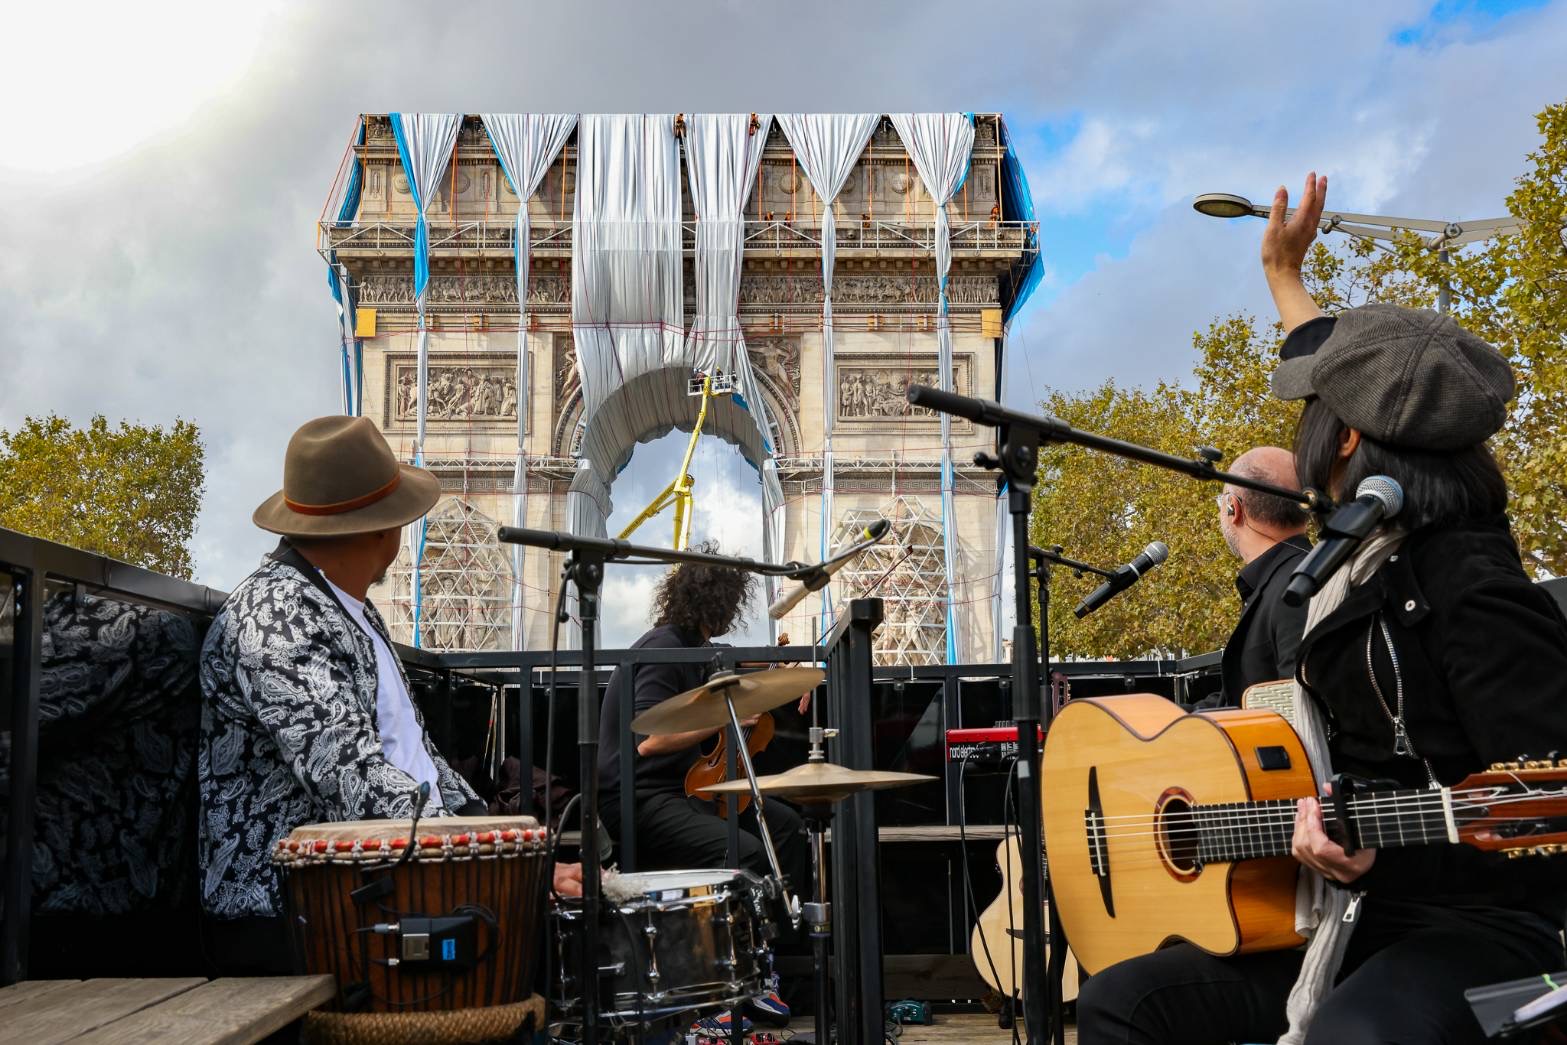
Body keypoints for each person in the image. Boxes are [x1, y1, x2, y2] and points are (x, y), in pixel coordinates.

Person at [1075, 174, 1567, 1045]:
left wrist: (1388, 848)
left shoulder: (1474, 589)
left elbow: (1544, 820)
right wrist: (1280, 272)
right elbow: (1367, 373)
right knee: (1123, 1000)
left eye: (1312, 412)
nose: (1299, 427)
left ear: (1343, 439)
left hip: (1483, 929)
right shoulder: (1355, 561)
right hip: (1347, 913)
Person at [198, 415, 580, 974]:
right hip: (292, 910)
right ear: (383, 529)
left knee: (564, 928)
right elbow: (353, 779)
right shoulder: (276, 616)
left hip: (375, 880)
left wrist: (504, 839)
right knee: (548, 952)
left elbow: (418, 760)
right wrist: (509, 866)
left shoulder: (349, 607)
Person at [597, 552, 811, 1026]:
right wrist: (724, 714)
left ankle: (771, 969)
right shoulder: (663, 649)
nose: (730, 615)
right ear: (714, 603)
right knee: (746, 852)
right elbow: (650, 744)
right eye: (729, 605)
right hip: (637, 800)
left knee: (789, 828)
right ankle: (727, 988)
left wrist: (785, 676)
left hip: (684, 793)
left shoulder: (693, 647)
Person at [1213, 446, 1312, 707]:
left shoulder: (1297, 590)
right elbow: (1235, 701)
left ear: (1233, 509)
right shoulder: (1299, 575)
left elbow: (1301, 715)